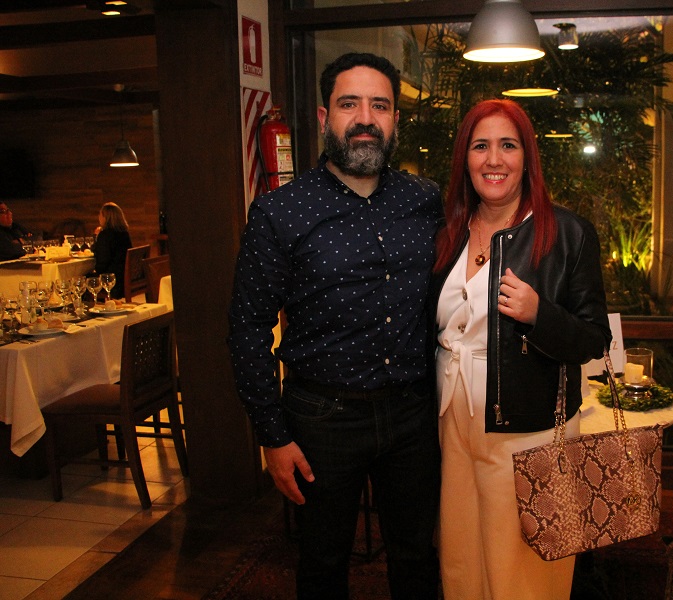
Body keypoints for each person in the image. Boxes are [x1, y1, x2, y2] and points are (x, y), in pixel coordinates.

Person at [228, 53, 442, 600]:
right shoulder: (280, 212)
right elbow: (248, 328)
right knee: (322, 563)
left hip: (414, 415)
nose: (366, 118)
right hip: (321, 419)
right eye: (350, 104)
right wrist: (273, 436)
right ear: (325, 116)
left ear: (395, 120)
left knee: (418, 557)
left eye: (380, 106)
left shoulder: (427, 201)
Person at [430, 99, 612, 600]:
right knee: (461, 559)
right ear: (465, 159)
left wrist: (539, 314)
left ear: (527, 157)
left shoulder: (568, 234)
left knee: (525, 572)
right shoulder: (449, 231)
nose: (494, 160)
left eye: (507, 146)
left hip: (529, 429)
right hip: (453, 423)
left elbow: (594, 338)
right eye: (480, 146)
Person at [89, 202, 132, 298]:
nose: (99, 217)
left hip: (113, 279)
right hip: (125, 277)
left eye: (100, 214)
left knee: (83, 279)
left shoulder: (105, 235)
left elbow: (101, 265)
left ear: (105, 217)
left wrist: (97, 239)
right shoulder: (124, 233)